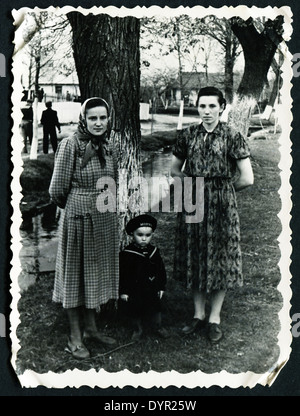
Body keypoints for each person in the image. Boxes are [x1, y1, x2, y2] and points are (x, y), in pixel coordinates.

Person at [171, 86, 254, 343]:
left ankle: (214, 318)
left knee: (220, 257)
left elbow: (247, 178)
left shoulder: (232, 136)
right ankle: (198, 315)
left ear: (222, 107)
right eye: (202, 106)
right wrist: (193, 190)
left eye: (212, 106)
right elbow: (174, 170)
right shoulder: (187, 135)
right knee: (196, 253)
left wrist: (222, 193)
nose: (206, 111)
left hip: (221, 206)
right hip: (192, 200)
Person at [49, 97, 119, 359]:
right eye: (93, 118)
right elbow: (56, 190)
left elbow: (114, 182)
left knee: (94, 273)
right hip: (79, 218)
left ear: (108, 119)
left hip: (104, 217)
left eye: (103, 118)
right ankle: (75, 336)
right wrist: (78, 207)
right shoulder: (70, 145)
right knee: (76, 275)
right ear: (84, 119)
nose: (98, 123)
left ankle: (92, 328)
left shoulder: (109, 146)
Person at [119, 214, 168, 341]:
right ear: (132, 234)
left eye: (148, 235)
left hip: (152, 287)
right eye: (140, 235)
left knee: (155, 307)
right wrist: (124, 291)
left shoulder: (154, 251)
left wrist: (161, 286)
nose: (144, 239)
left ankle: (157, 326)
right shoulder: (127, 253)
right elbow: (123, 274)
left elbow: (160, 270)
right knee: (135, 308)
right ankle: (137, 328)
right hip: (135, 289)